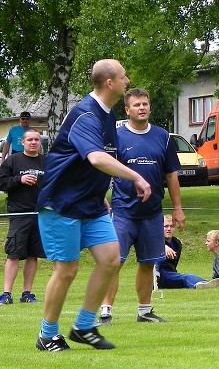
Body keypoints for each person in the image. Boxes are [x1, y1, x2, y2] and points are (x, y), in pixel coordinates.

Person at [35, 59, 152, 352]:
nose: (128, 81)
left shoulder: (108, 116)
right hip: (61, 204)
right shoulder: (86, 115)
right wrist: (137, 176)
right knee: (67, 270)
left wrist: (100, 192)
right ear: (110, 83)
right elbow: (97, 158)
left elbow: (95, 163)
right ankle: (47, 335)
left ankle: (84, 327)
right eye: (124, 76)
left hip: (92, 205)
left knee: (111, 259)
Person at [99, 88, 185, 326]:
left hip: (152, 213)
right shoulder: (115, 136)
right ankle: (105, 312)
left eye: (145, 104)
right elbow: (102, 168)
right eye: (136, 105)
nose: (142, 108)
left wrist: (177, 208)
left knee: (147, 263)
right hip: (123, 212)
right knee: (114, 262)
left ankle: (145, 311)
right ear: (127, 110)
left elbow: (172, 175)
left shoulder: (163, 136)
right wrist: (99, 196)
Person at [0, 129, 46, 305]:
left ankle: (27, 293)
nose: (33, 142)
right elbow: (1, 182)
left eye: (36, 139)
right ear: (23, 142)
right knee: (13, 254)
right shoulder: (13, 160)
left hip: (40, 213)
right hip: (20, 213)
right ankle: (6, 294)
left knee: (33, 255)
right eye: (30, 140)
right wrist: (20, 180)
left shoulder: (46, 161)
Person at [155, 215, 208, 289]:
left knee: (186, 277)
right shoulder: (154, 241)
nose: (169, 229)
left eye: (172, 226)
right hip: (157, 276)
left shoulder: (177, 243)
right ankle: (200, 284)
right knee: (186, 277)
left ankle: (206, 283)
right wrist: (162, 246)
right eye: (166, 226)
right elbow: (148, 243)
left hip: (170, 274)